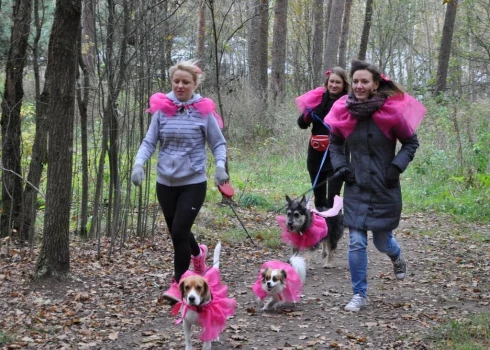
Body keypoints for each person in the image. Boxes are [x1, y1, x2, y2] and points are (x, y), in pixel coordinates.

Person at [324, 59, 425, 312]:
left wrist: (395, 167)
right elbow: (335, 144)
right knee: (356, 241)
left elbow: (411, 143)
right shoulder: (344, 111)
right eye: (355, 81)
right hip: (356, 185)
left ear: (375, 84)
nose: (358, 86)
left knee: (382, 242)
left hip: (384, 186)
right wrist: (341, 166)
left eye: (364, 81)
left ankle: (396, 254)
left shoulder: (391, 113)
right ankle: (359, 294)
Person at [131, 59, 229, 303]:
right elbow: (149, 141)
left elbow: (218, 143)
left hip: (193, 182)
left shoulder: (203, 111)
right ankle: (198, 253)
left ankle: (178, 284)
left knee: (179, 231)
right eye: (176, 81)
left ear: (195, 84)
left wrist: (219, 167)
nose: (180, 86)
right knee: (178, 231)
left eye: (186, 82)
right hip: (165, 183)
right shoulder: (162, 109)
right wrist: (138, 163)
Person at [295, 67, 350, 210]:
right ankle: (320, 228)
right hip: (316, 152)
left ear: (344, 84)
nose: (334, 85)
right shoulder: (316, 99)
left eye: (338, 82)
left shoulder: (349, 102)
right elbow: (302, 124)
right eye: (331, 81)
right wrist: (307, 116)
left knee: (333, 196)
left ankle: (333, 225)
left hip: (337, 153)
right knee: (319, 196)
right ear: (327, 82)